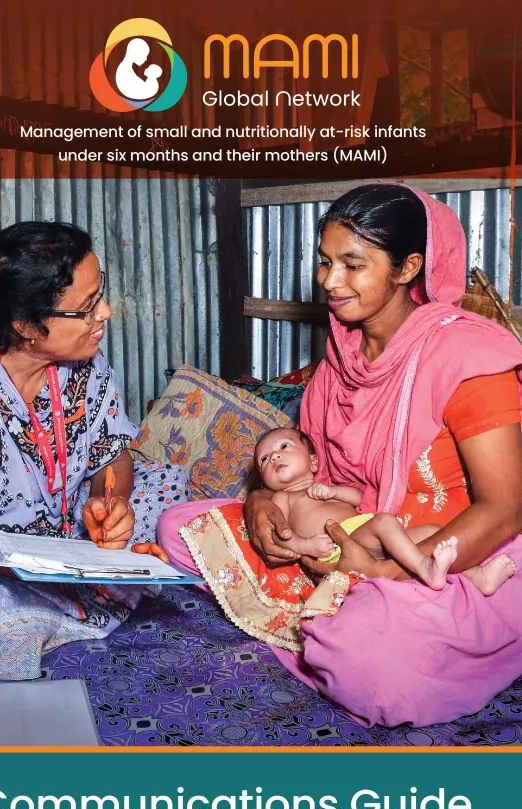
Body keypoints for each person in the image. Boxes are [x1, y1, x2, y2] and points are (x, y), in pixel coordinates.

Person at [158, 183, 522, 728]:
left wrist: (381, 571)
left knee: (367, 665)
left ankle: (362, 614)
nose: (331, 281)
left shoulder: (467, 356)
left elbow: (506, 509)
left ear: (407, 268)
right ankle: (336, 603)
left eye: (354, 265)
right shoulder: (339, 361)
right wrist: (260, 506)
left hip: (448, 553)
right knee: (178, 525)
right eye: (326, 262)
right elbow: (312, 473)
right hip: (343, 532)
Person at [0, 221, 188, 682]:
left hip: (66, 536)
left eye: (100, 295)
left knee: (167, 484)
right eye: (86, 308)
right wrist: (52, 573)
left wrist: (112, 504)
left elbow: (112, 452)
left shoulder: (84, 361)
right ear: (25, 324)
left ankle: (73, 603)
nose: (105, 313)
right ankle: (77, 602)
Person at [255, 427, 515, 594]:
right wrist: (306, 545)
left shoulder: (327, 487)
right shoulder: (282, 498)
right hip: (335, 550)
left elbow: (358, 498)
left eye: (283, 447)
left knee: (434, 533)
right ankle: (426, 568)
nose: (274, 457)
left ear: (313, 461)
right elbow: (281, 535)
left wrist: (334, 492)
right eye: (264, 459)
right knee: (384, 522)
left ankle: (478, 577)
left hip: (366, 537)